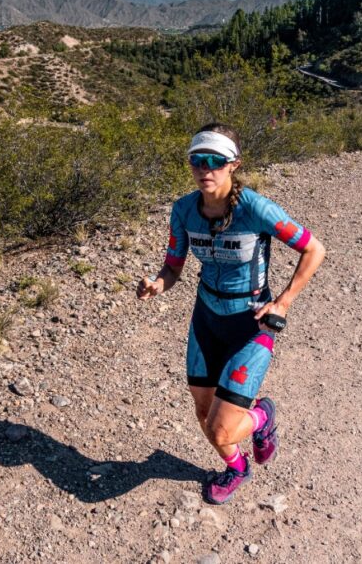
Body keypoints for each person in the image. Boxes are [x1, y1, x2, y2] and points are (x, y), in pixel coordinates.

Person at [136, 123, 325, 505]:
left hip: (250, 323)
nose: (205, 169)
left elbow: (314, 250)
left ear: (233, 164)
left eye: (215, 161)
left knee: (222, 430)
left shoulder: (256, 209)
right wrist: (158, 283)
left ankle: (261, 418)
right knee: (205, 413)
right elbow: (173, 267)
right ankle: (237, 468)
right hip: (207, 317)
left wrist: (283, 301)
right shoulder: (184, 210)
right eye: (197, 161)